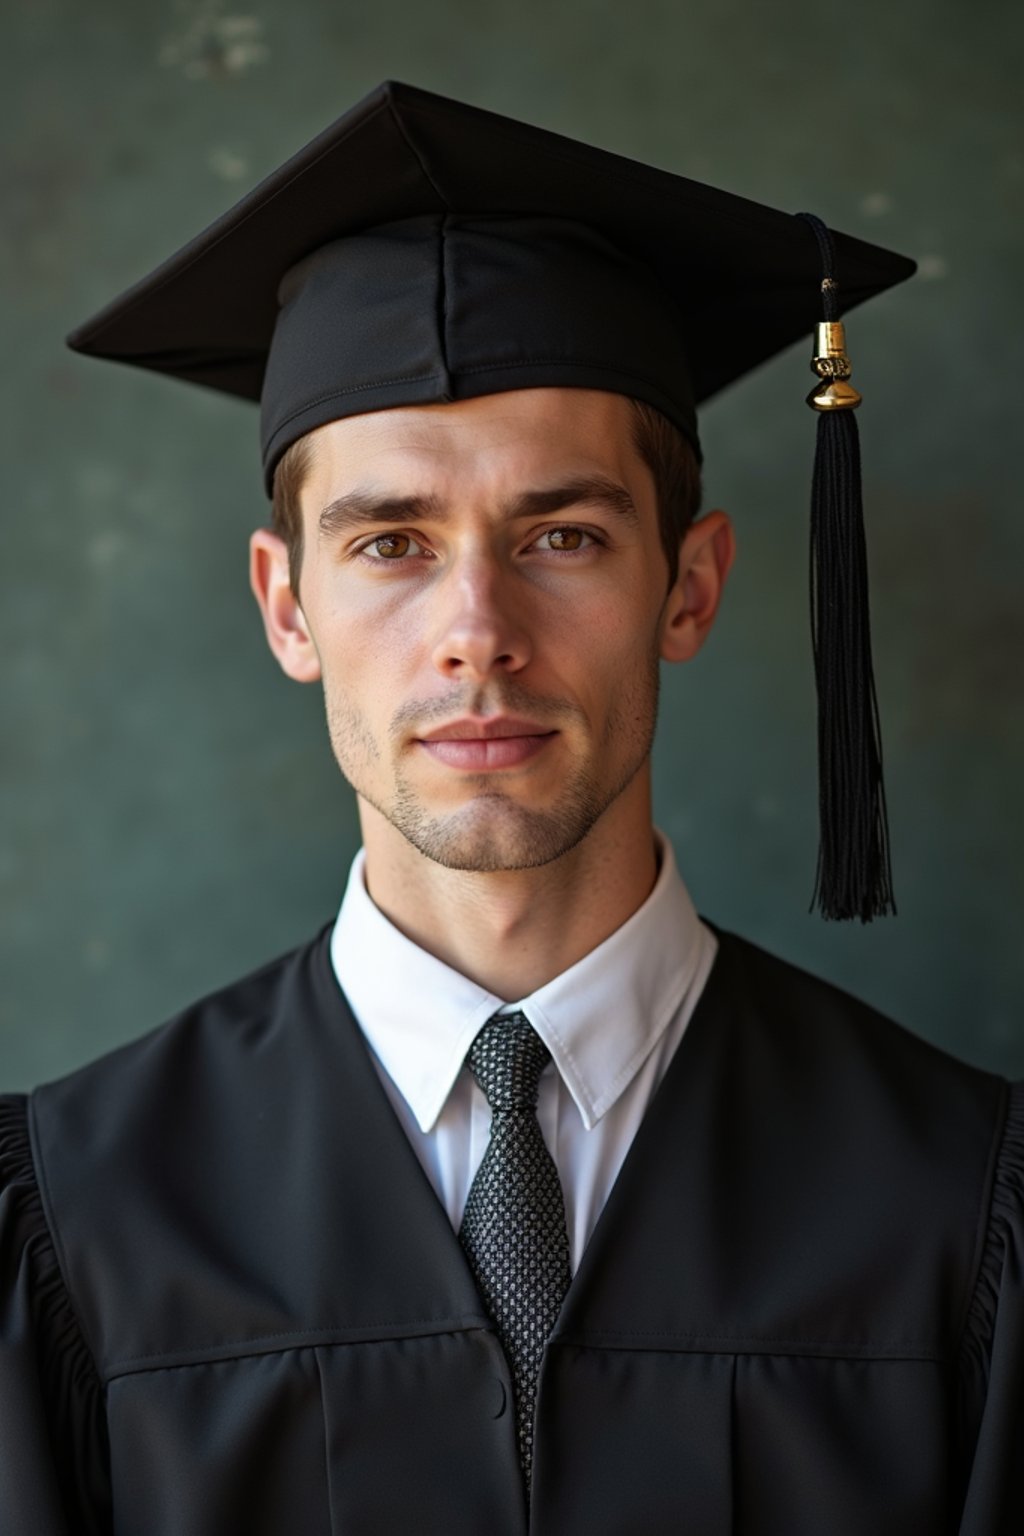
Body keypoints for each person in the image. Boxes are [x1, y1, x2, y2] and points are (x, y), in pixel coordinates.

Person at [1, 80, 1020, 1535]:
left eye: (563, 534)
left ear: (689, 585)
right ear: (288, 609)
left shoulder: (960, 1205)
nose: (477, 628)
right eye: (392, 543)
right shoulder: (80, 1215)